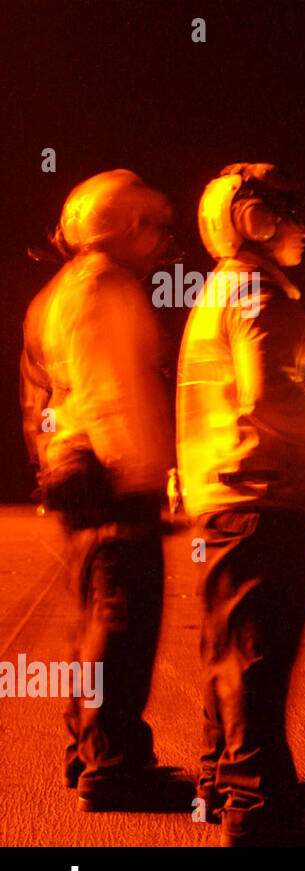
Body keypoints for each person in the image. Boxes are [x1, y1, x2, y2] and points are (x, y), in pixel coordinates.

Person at [177, 163, 305, 846]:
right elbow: (268, 399)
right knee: (258, 656)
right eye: (288, 210)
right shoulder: (259, 293)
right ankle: (263, 810)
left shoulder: (222, 291)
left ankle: (226, 779)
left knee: (229, 650)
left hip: (222, 497)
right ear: (254, 218)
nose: (303, 226)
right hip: (261, 497)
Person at [19, 170, 194, 812]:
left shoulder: (59, 292)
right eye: (153, 225)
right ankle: (115, 766)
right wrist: (144, 482)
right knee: (122, 622)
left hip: (76, 472)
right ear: (123, 226)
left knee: (94, 620)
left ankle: (87, 751)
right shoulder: (106, 288)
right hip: (111, 476)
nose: (161, 240)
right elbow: (114, 394)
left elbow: (40, 396)